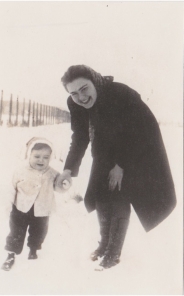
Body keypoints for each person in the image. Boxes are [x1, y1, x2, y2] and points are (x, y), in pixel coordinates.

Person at [57, 65, 176, 270]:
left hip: (137, 148)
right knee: (101, 196)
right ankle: (104, 244)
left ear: (94, 81)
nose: (81, 97)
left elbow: (143, 129)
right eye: (74, 93)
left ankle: (114, 252)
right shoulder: (74, 103)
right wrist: (68, 168)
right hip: (104, 151)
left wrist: (121, 165)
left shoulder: (119, 93)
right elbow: (80, 136)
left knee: (120, 194)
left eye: (84, 89)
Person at [1, 137, 71, 271]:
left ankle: (33, 249)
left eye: (46, 157)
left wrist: (64, 185)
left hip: (42, 210)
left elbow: (58, 187)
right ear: (29, 155)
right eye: (37, 156)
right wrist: (8, 205)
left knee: (39, 232)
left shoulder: (52, 173)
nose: (41, 160)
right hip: (20, 209)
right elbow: (10, 188)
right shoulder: (20, 170)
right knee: (16, 232)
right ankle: (11, 254)